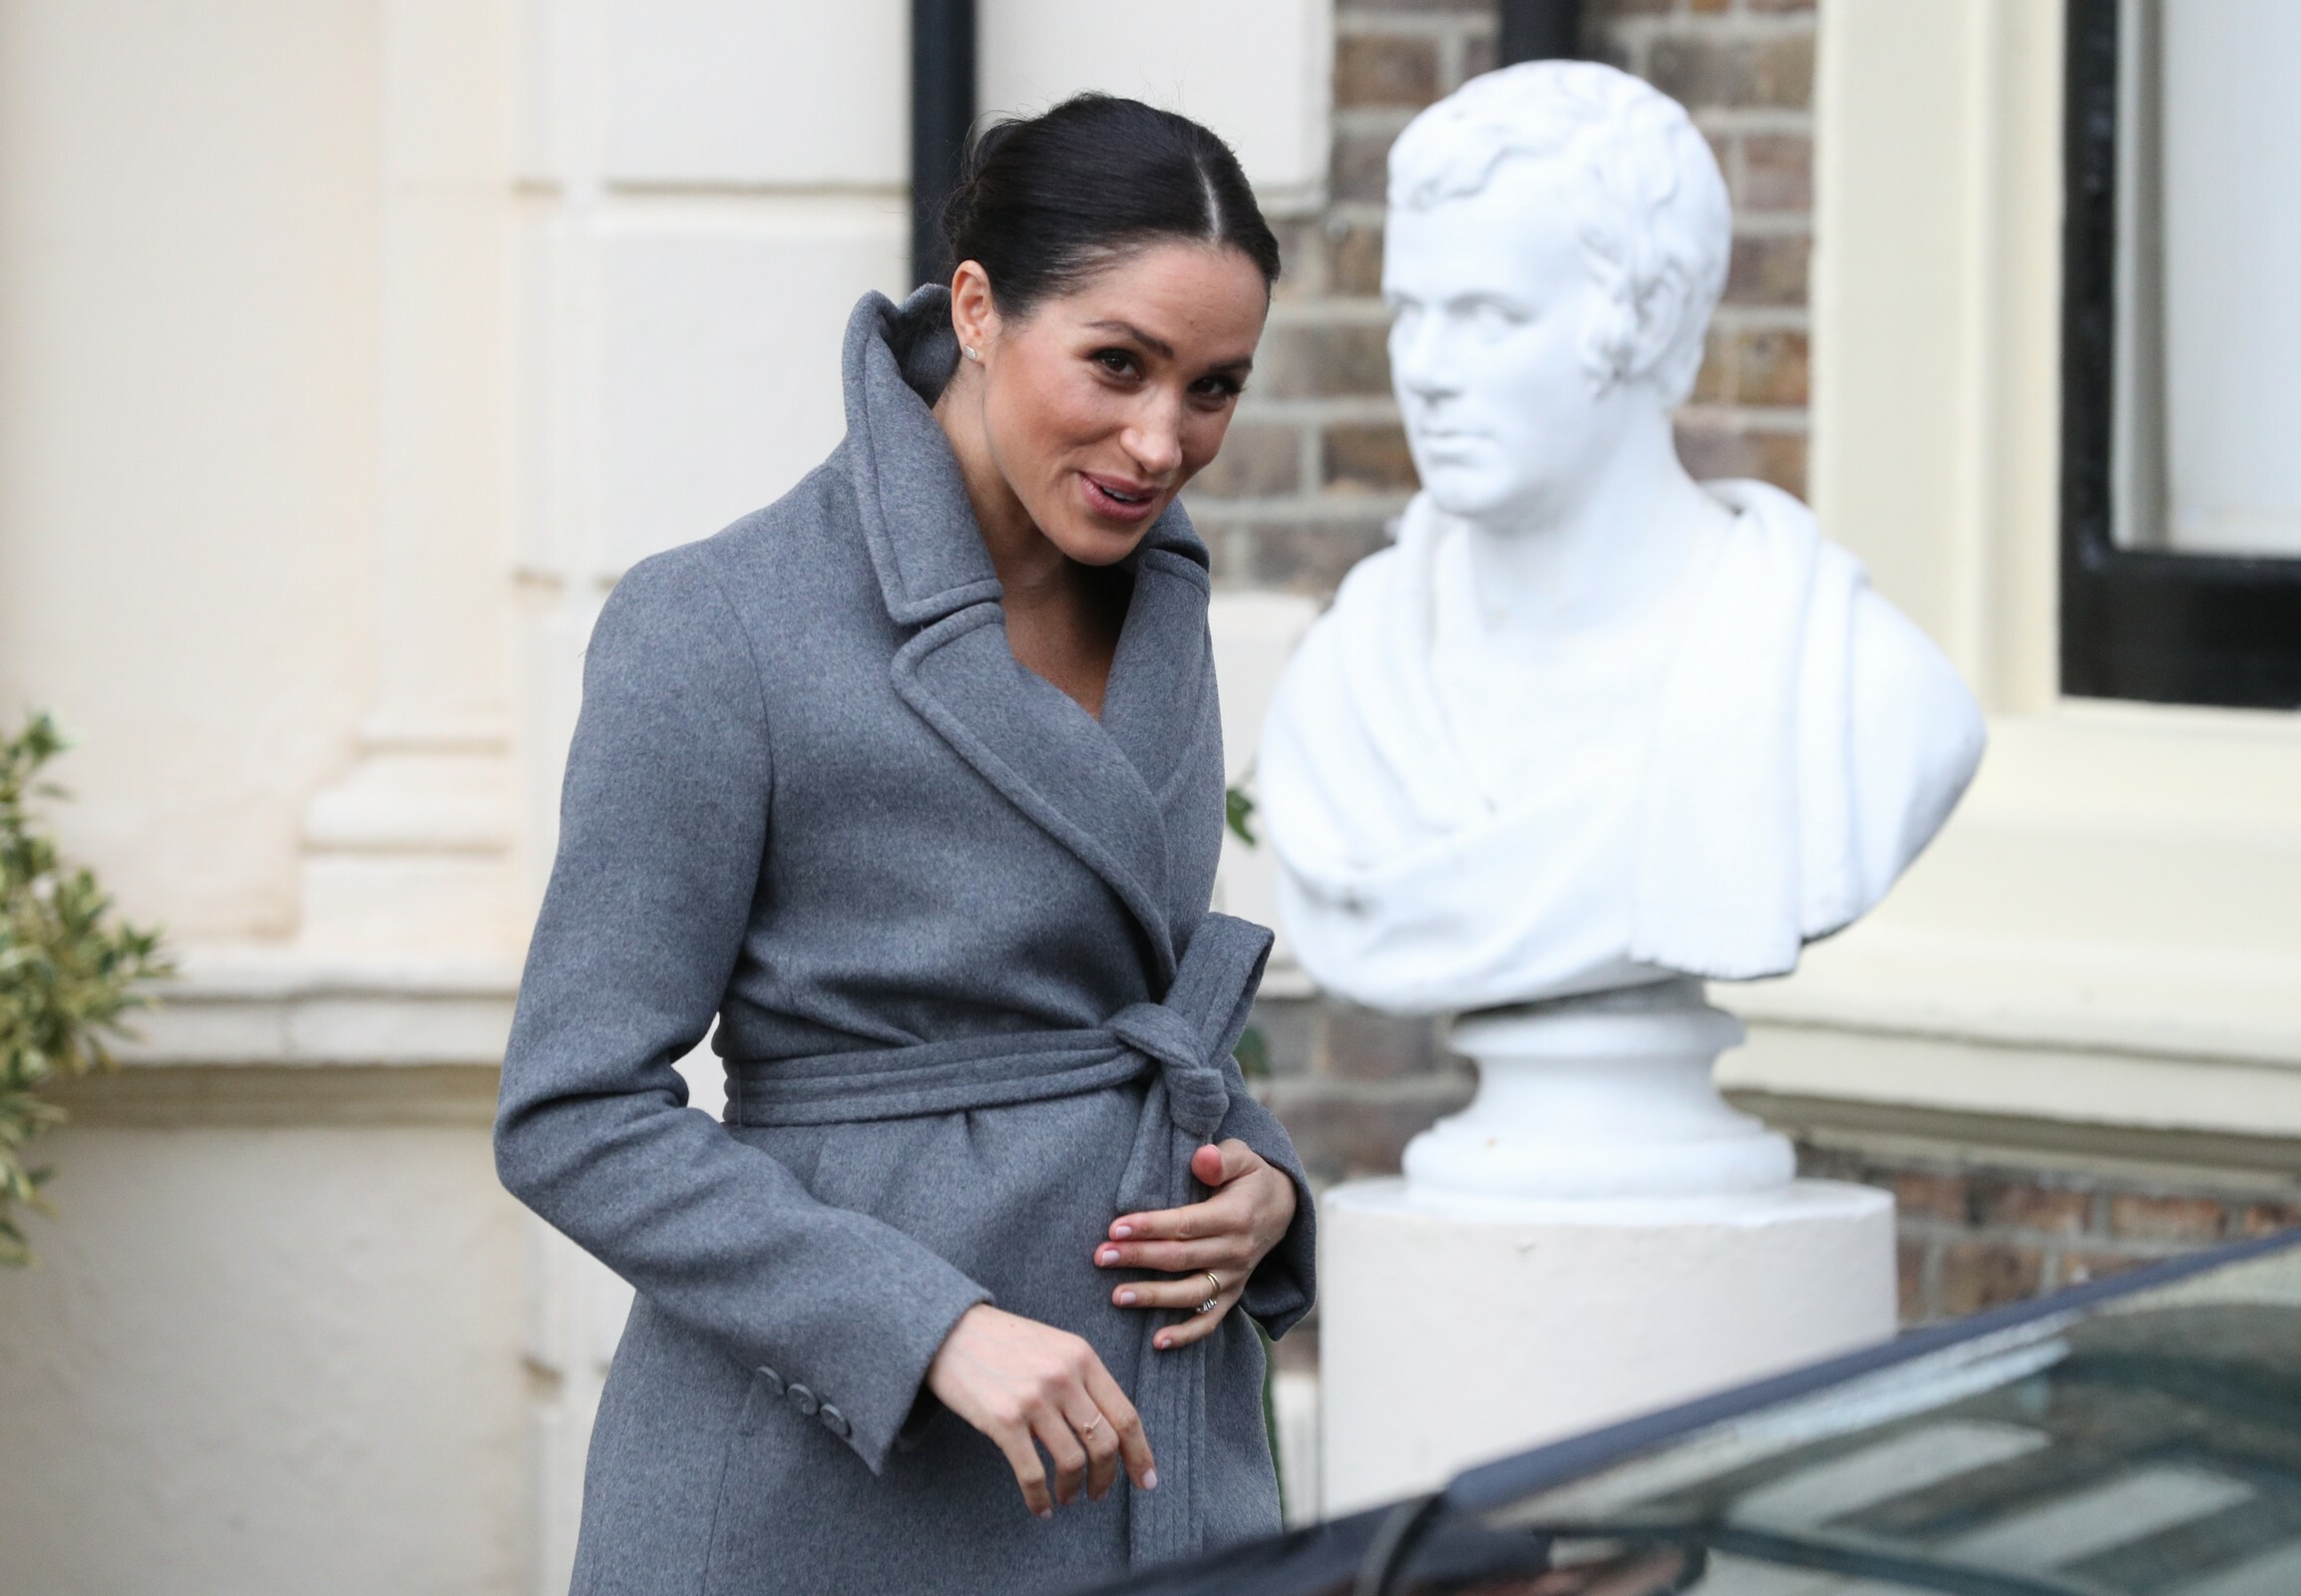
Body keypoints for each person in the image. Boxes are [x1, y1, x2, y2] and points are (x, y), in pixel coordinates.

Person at [494, 95, 1315, 1596]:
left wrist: (1256, 1181)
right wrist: (923, 1326)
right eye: (1117, 364)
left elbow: (1098, 1004)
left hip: (1148, 1440)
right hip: (824, 1484)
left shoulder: (1160, 598)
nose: (1160, 442)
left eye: (1212, 389)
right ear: (980, 310)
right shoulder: (717, 624)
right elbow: (574, 1113)